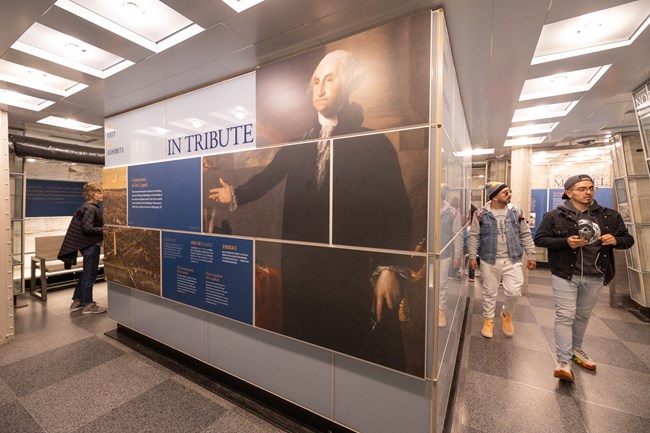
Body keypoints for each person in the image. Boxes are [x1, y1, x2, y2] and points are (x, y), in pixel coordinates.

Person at [208, 50, 415, 372]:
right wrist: (235, 193)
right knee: (306, 336)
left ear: (350, 84)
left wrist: (390, 266)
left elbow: (397, 210)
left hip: (351, 266)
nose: (320, 89)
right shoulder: (299, 143)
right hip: (303, 262)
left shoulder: (374, 144)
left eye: (329, 79)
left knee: (354, 343)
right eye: (315, 81)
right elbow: (267, 178)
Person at [534, 174, 634, 382]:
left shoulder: (609, 216)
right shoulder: (554, 216)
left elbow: (628, 240)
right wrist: (565, 242)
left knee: (582, 316)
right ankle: (563, 362)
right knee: (565, 315)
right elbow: (541, 239)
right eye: (582, 189)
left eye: (591, 188)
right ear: (569, 193)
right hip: (565, 274)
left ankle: (575, 349)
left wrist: (615, 239)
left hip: (596, 274)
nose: (588, 192)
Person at [467, 182, 536, 338]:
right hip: (488, 260)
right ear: (494, 196)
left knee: (514, 292)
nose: (510, 194)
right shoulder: (481, 214)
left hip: (512, 259)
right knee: (489, 292)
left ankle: (506, 314)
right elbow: (474, 236)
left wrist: (531, 255)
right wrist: (472, 256)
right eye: (505, 193)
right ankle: (488, 320)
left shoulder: (516, 212)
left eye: (509, 191)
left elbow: (525, 234)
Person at [57, 182, 106, 314]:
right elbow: (87, 228)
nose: (102, 194)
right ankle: (88, 305)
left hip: (85, 245)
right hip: (90, 245)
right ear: (91, 193)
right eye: (99, 192)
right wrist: (106, 229)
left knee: (86, 273)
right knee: (90, 275)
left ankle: (77, 301)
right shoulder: (91, 208)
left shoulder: (86, 207)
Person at [439, 186, 463, 328]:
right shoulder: (427, 210)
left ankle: (441, 310)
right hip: (426, 255)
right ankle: (429, 307)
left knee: (442, 284)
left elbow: (457, 234)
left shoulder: (452, 212)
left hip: (444, 255)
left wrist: (458, 255)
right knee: (427, 283)